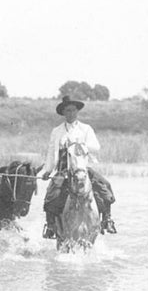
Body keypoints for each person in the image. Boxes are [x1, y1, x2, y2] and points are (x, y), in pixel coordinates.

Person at [37, 96, 117, 237]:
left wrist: (78, 144)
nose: (71, 113)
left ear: (77, 111)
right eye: (68, 110)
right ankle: (50, 226)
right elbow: (51, 153)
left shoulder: (85, 129)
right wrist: (47, 170)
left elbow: (96, 147)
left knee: (105, 186)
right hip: (63, 171)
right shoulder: (56, 131)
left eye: (73, 110)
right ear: (63, 112)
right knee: (51, 194)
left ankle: (107, 220)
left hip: (82, 169)